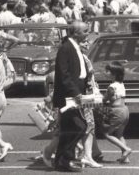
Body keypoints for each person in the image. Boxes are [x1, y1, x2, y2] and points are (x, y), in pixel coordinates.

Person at [52, 22, 91, 172]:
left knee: (72, 128)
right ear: (75, 33)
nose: (88, 33)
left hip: (77, 92)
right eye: (85, 31)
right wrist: (76, 93)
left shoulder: (75, 47)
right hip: (68, 96)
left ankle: (63, 159)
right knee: (78, 126)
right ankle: (64, 159)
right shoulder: (66, 48)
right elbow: (64, 74)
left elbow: (79, 71)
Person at [100, 61, 132, 163]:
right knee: (119, 134)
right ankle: (125, 157)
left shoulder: (112, 87)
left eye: (107, 71)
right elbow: (115, 97)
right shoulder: (121, 84)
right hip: (125, 110)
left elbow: (105, 99)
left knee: (107, 134)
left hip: (117, 111)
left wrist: (101, 96)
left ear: (113, 74)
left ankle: (127, 149)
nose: (105, 73)